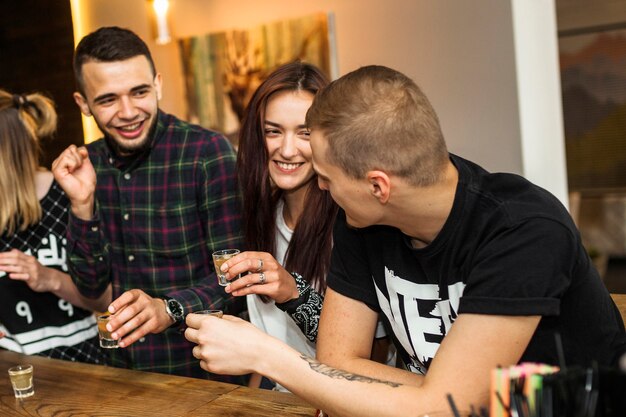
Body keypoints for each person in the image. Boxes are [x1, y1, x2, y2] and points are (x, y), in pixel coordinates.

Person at [185, 65, 626, 415]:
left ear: (378, 186)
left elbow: (446, 406)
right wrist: (441, 396)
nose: (321, 189)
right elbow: (340, 366)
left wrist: (269, 357)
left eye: (325, 178)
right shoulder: (362, 218)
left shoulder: (523, 230)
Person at [51, 26, 242, 380]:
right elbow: (90, 287)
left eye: (139, 92)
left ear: (157, 85)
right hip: (121, 375)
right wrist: (82, 206)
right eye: (108, 99)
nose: (127, 112)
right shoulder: (84, 167)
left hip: (204, 376)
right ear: (84, 104)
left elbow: (235, 279)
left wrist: (168, 308)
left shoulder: (207, 153)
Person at [215, 61, 338, 390]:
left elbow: (369, 351)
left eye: (305, 133)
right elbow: (271, 342)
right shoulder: (262, 217)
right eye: (273, 131)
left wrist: (293, 292)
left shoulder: (351, 224)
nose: (286, 149)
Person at [0, 89, 110, 364]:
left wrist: (47, 278)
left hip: (83, 362)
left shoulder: (71, 194)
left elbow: (108, 299)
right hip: (13, 371)